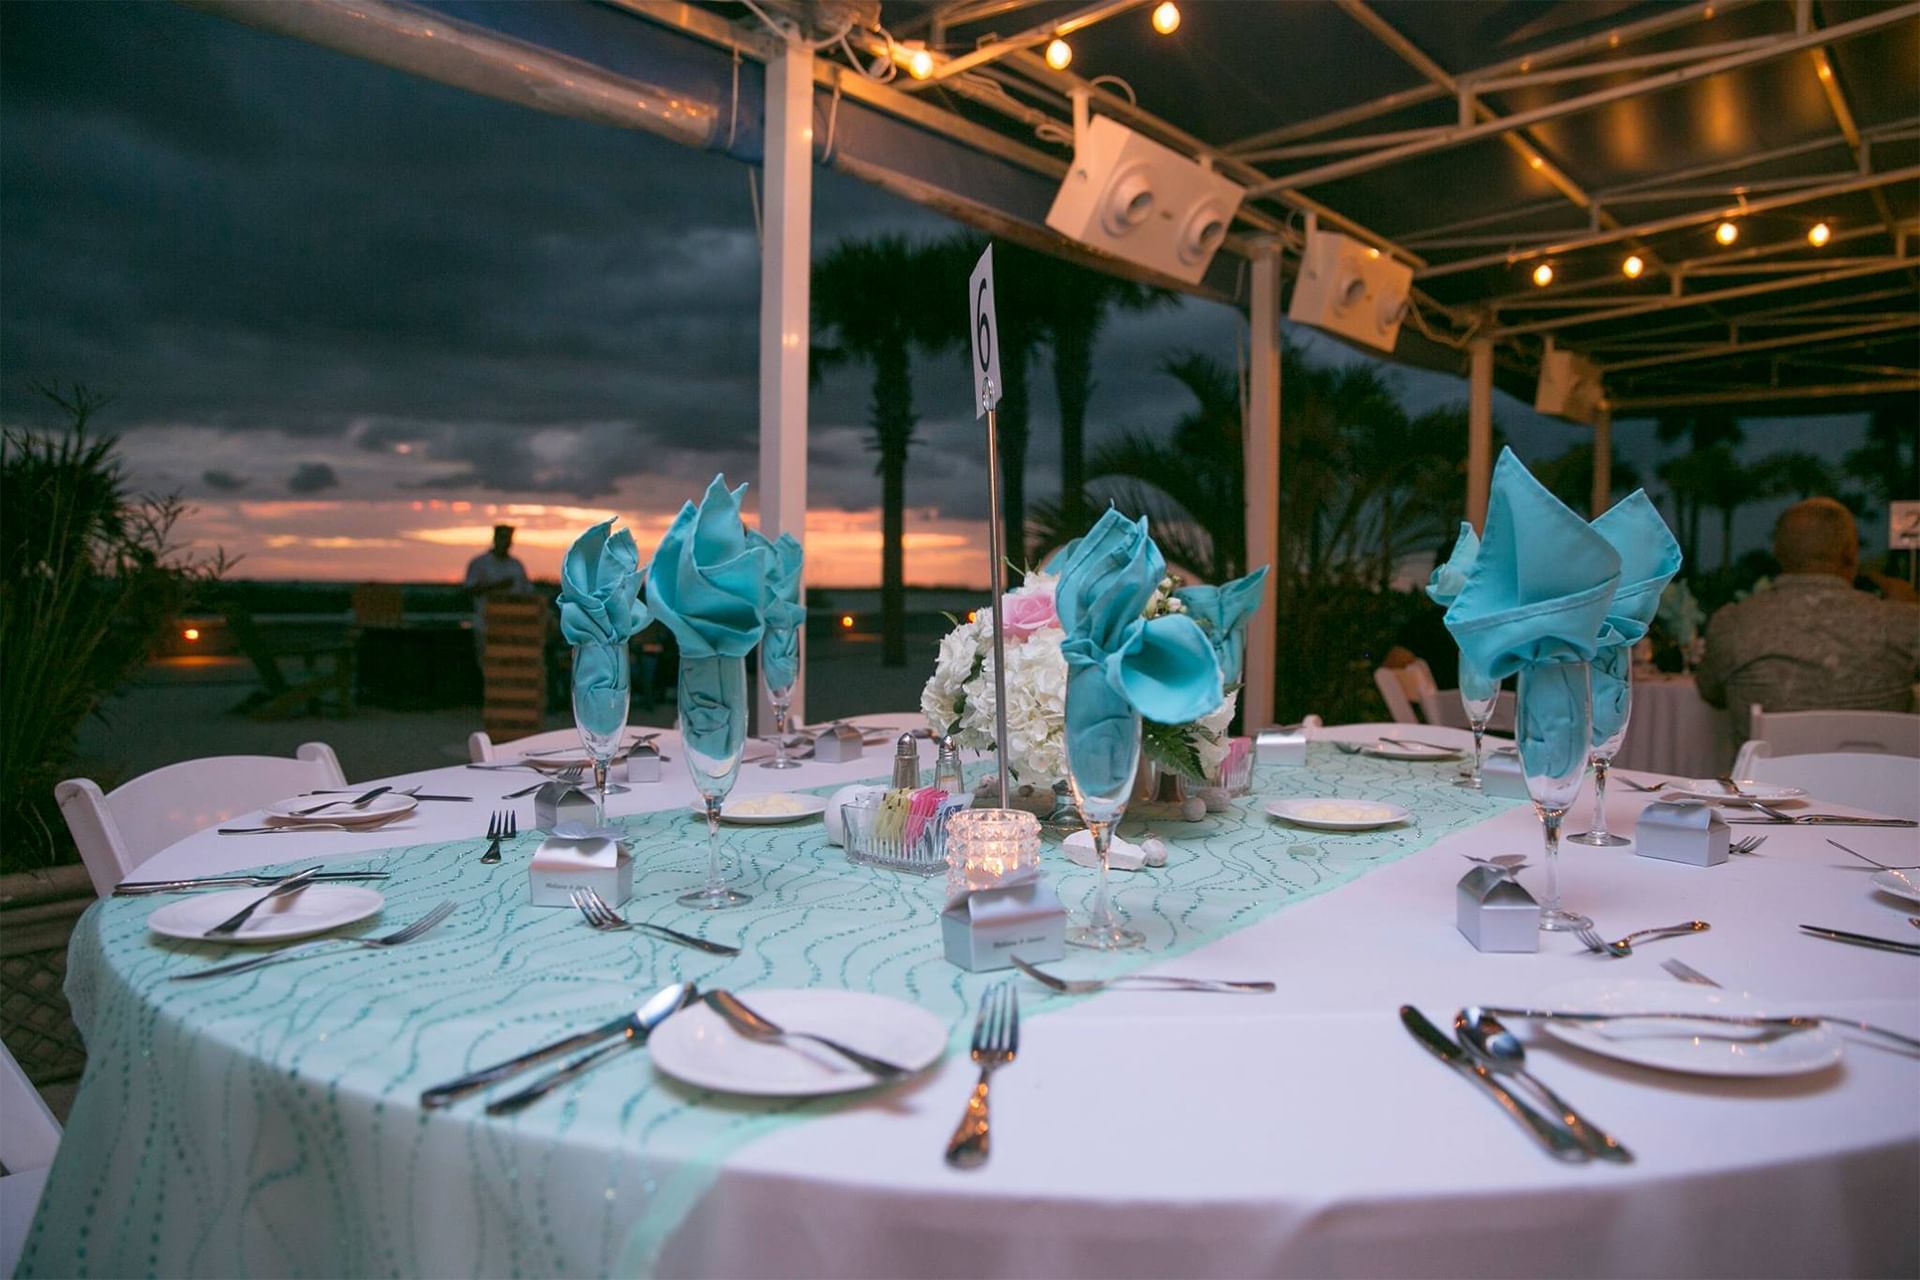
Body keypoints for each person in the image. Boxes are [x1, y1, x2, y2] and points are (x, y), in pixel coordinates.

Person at [1695, 498, 1919, 742]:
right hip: (1882, 779)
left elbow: (1711, 692)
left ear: (1778, 553)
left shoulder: (1733, 623)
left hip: (1767, 779)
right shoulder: (1903, 622)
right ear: (1851, 554)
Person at [463, 524, 531, 652]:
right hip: (486, 625)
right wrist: (496, 587)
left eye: (508, 538)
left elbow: (527, 592)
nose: (506, 542)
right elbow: (469, 590)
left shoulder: (516, 565)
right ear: (495, 539)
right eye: (503, 538)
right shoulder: (480, 563)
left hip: (513, 627)